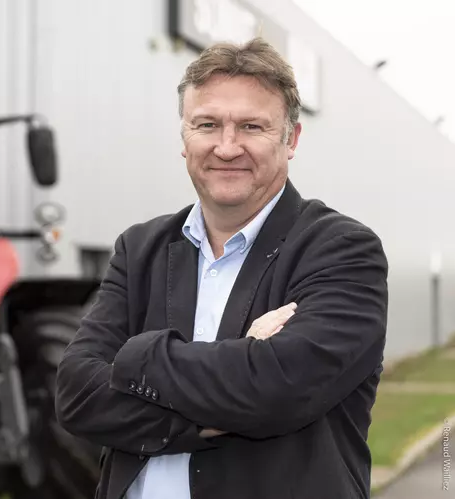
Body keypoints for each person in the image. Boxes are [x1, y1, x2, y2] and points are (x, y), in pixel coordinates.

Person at [55, 37, 388, 499]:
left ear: (290, 139)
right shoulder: (140, 249)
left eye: (252, 126)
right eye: (207, 124)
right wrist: (235, 377)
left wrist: (137, 359)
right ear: (184, 136)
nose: (227, 147)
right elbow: (77, 396)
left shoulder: (342, 250)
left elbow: (279, 390)